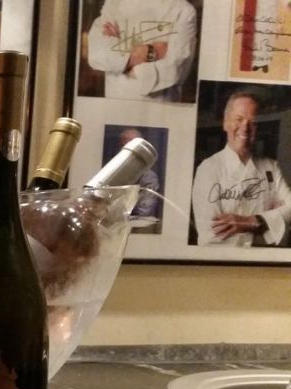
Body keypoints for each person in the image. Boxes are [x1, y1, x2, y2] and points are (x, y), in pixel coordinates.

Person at [191, 91, 291, 246]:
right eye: (239, 119)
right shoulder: (208, 169)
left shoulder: (271, 167)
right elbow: (211, 235)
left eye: (252, 122)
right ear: (225, 123)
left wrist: (252, 221)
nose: (245, 127)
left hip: (263, 259)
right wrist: (272, 224)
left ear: (258, 127)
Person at [85, 0, 198, 102]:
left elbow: (173, 71)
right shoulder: (113, 4)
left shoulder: (183, 10)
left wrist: (120, 64)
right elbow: (97, 54)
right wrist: (148, 52)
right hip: (113, 108)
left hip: (161, 111)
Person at [116, 128, 163, 223]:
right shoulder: (114, 172)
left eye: (131, 142)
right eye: (123, 144)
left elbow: (144, 210)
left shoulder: (149, 177)